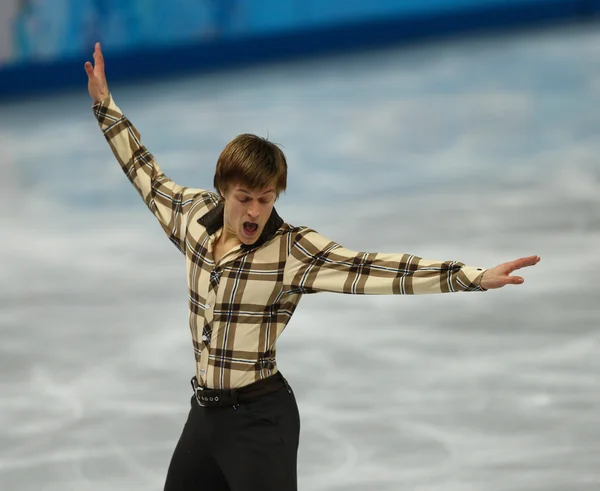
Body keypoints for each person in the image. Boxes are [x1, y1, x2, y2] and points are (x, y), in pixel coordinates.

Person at [84, 42, 540, 491]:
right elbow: (146, 174)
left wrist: (471, 277)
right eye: (244, 199)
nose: (254, 212)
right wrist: (106, 106)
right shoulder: (193, 219)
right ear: (223, 191)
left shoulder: (291, 250)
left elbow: (373, 268)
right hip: (205, 415)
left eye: (266, 200)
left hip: (260, 420)